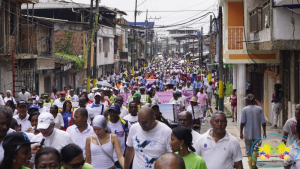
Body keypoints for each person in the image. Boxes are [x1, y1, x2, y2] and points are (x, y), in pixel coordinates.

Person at [240, 93, 266, 169]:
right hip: (257, 133)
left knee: (248, 149)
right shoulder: (259, 109)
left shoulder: (244, 109)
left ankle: (251, 167)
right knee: (256, 148)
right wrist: (264, 132)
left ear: (247, 101)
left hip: (248, 133)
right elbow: (263, 122)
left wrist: (241, 132)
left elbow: (242, 122)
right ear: (254, 100)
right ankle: (254, 164)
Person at [107, 103, 131, 167]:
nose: (112, 114)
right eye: (110, 111)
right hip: (108, 157)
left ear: (119, 112)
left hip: (121, 157)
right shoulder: (105, 124)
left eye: (114, 112)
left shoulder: (125, 123)